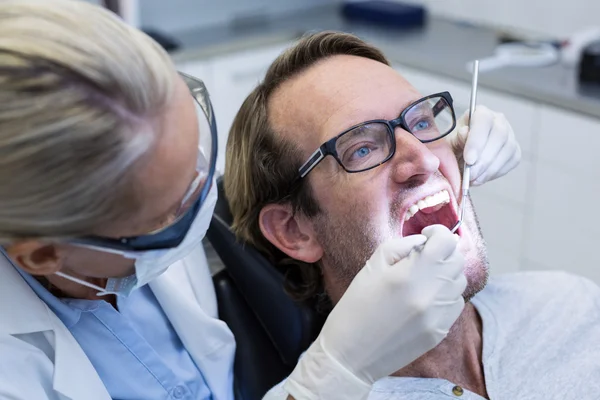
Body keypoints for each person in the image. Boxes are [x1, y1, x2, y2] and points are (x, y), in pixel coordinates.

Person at [0, 2, 520, 400]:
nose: (206, 196)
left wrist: (426, 146)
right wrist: (335, 374)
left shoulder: (566, 308)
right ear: (42, 254)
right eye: (175, 206)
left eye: (197, 158)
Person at [224, 30, 600, 400]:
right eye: (362, 148)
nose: (425, 158)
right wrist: (340, 375)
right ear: (294, 231)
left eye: (421, 122)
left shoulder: (571, 305)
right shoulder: (315, 393)